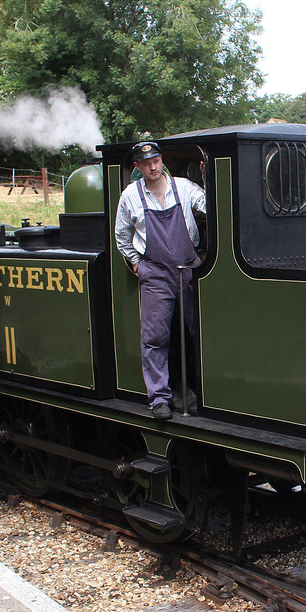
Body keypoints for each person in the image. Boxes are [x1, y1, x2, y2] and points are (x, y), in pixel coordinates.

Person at [114, 141, 206, 420]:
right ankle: (160, 399)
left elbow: (212, 207)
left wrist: (205, 179)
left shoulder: (184, 187)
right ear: (138, 167)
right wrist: (137, 265)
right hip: (154, 273)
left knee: (199, 331)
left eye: (156, 160)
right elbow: (121, 235)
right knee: (155, 338)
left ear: (161, 160)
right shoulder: (130, 195)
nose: (153, 166)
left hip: (189, 269)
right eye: (146, 163)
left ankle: (202, 391)